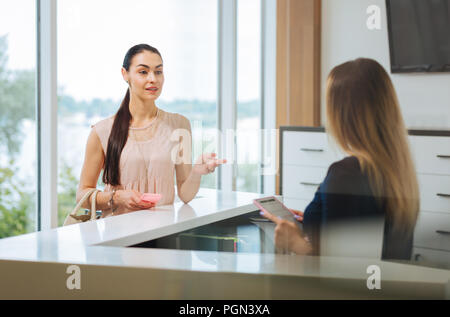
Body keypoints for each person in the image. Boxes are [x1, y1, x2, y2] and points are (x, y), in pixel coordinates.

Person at [263, 58, 420, 260]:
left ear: (342, 115)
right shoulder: (397, 170)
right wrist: (317, 219)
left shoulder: (347, 172)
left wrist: (294, 242)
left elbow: (339, 269)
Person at [77, 44, 226, 216]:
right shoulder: (102, 131)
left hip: (165, 233)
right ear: (125, 74)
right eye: (143, 72)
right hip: (118, 236)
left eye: (158, 71)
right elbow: (82, 194)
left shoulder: (179, 125)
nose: (153, 79)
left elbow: (185, 195)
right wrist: (116, 197)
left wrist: (196, 172)